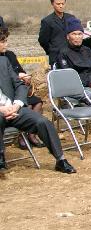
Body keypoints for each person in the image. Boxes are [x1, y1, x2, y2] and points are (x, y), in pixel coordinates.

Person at [0, 31, 76, 173]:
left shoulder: (4, 61)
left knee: (43, 122)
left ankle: (60, 159)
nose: (6, 44)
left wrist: (16, 105)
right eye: (2, 41)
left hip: (14, 109)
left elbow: (20, 85)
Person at [0, 26, 46, 148]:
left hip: (19, 89)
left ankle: (31, 134)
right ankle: (22, 136)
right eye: (3, 41)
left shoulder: (10, 55)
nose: (6, 44)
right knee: (27, 105)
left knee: (38, 103)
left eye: (6, 40)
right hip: (8, 94)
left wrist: (24, 76)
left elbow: (20, 70)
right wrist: (16, 77)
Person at [38, 0, 79, 66]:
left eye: (63, 3)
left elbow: (77, 33)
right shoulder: (47, 21)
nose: (61, 6)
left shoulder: (71, 18)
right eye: (58, 4)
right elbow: (43, 40)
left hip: (73, 55)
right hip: (56, 56)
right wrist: (51, 50)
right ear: (52, 4)